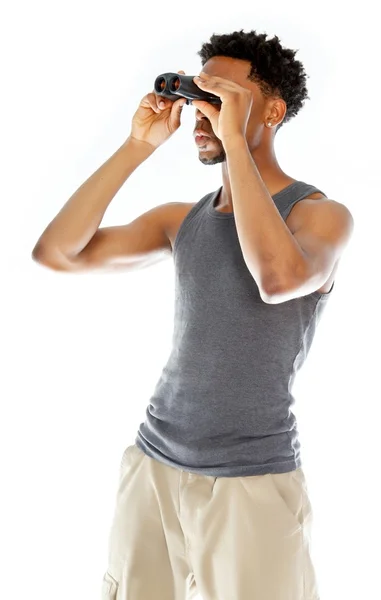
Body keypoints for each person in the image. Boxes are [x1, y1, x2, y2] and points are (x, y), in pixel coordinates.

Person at [32, 29, 354, 600]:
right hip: (153, 466)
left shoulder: (321, 216)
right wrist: (137, 146)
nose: (202, 113)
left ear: (273, 111)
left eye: (221, 96)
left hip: (251, 480)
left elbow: (278, 279)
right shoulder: (182, 221)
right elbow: (56, 254)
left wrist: (233, 142)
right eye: (198, 95)